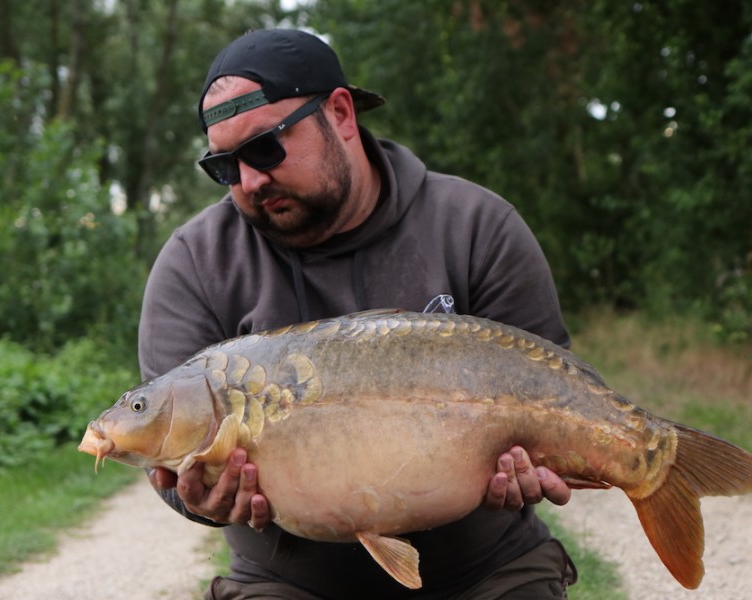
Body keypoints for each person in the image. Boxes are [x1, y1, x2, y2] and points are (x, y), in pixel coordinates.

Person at [139, 28, 577, 600]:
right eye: (225, 166)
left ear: (341, 114)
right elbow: (169, 462)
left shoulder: (476, 226)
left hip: (484, 568)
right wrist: (193, 498)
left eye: (266, 146)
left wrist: (538, 466)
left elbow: (555, 393)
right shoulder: (196, 262)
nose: (249, 180)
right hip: (289, 579)